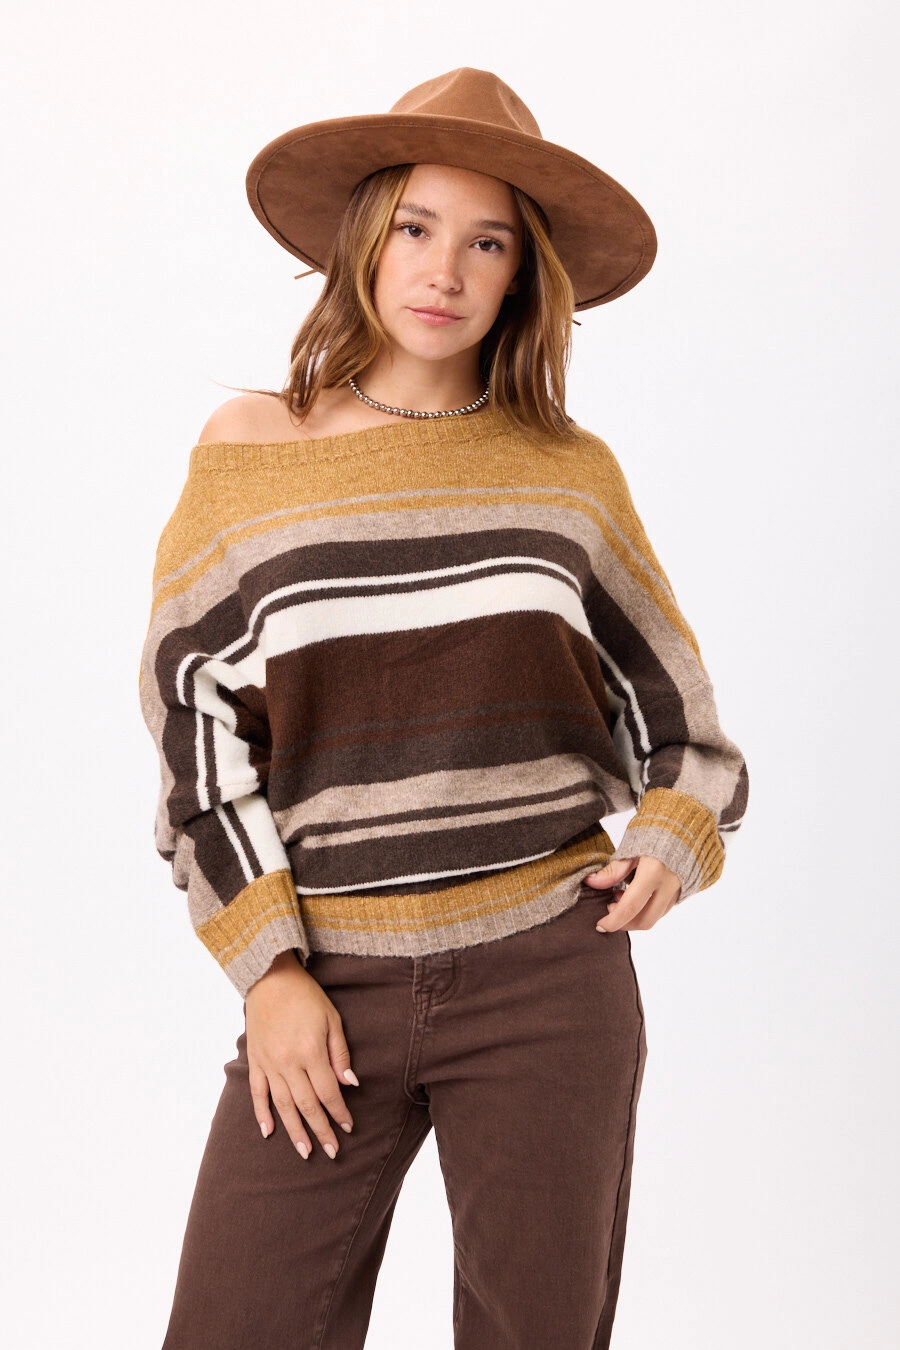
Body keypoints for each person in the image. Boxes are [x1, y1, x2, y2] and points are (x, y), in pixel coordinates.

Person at [140, 67, 748, 1350]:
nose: (445, 269)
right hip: (326, 980)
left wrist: (674, 834)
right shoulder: (249, 448)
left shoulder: (567, 473)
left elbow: (682, 721)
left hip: (549, 980)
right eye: (417, 226)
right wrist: (270, 972)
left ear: (524, 277)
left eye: (489, 242)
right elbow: (195, 732)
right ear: (365, 237)